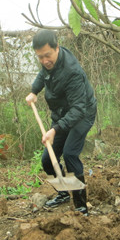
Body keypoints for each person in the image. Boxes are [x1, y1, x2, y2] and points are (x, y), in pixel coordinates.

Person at [25, 29, 97, 216]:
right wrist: (34, 91)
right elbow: (43, 74)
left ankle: (81, 205)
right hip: (62, 114)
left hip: (82, 114)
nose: (44, 61)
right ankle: (63, 193)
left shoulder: (72, 72)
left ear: (57, 48)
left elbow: (78, 109)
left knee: (70, 153)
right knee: (48, 159)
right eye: (40, 57)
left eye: (47, 55)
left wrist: (55, 130)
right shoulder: (49, 62)